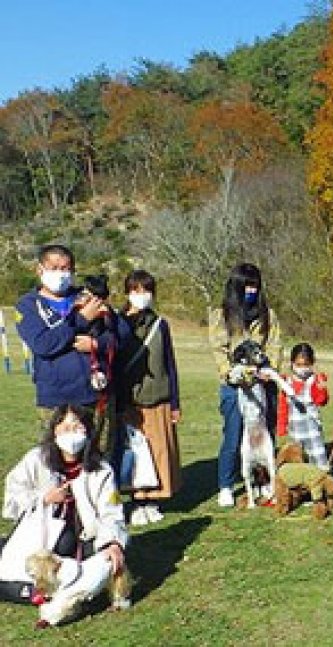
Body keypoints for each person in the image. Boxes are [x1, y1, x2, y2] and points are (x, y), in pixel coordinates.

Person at [0, 405, 127, 609]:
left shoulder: (101, 470)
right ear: (54, 431)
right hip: (41, 534)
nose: (71, 433)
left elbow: (111, 512)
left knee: (101, 565)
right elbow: (13, 496)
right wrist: (44, 499)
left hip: (85, 538)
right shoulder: (37, 459)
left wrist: (112, 542)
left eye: (77, 427)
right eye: (65, 427)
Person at [15, 244, 129, 423]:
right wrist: (81, 319)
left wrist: (96, 344)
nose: (60, 274)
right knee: (57, 450)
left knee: (100, 449)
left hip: (96, 394)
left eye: (66, 269)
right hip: (56, 399)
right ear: (40, 269)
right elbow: (43, 344)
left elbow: (122, 335)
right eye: (54, 268)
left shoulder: (87, 297)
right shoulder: (27, 305)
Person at [209, 263, 283, 507]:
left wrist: (269, 371)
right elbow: (218, 348)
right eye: (246, 286)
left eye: (255, 286)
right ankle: (226, 485)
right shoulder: (221, 314)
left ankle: (264, 481)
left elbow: (275, 344)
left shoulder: (267, 314)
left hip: (263, 384)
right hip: (234, 385)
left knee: (265, 432)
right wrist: (229, 373)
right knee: (233, 435)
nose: (251, 290)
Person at [117, 270, 181, 526]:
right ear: (127, 293)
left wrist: (175, 402)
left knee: (160, 451)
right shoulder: (119, 323)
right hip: (131, 399)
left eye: (146, 291)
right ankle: (136, 500)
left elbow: (170, 364)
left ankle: (154, 499)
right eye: (136, 290)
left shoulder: (160, 324)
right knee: (135, 452)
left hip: (159, 397)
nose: (141, 296)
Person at [275, 343, 330, 470]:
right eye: (298, 365)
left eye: (306, 365)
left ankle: (321, 482)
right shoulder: (286, 383)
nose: (302, 368)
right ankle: (300, 485)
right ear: (292, 363)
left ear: (312, 363)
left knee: (318, 457)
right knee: (297, 461)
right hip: (295, 430)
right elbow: (283, 406)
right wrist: (281, 428)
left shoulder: (315, 380)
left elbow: (322, 401)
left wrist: (321, 389)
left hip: (313, 428)